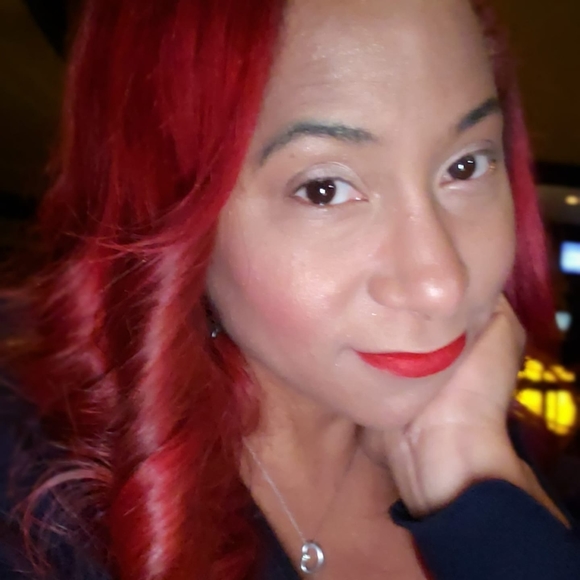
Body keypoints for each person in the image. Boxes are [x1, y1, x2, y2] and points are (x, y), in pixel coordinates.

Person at [0, 0, 579, 578]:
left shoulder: (503, 447)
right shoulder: (40, 513)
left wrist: (474, 478)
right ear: (174, 211)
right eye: (324, 189)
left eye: (465, 166)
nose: (440, 286)